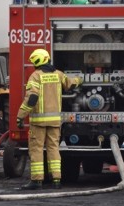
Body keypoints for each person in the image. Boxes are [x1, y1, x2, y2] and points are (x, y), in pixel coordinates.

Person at [16, 48, 82, 190]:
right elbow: (71, 83)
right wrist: (81, 79)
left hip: (39, 122)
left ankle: (37, 181)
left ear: (37, 62)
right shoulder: (58, 74)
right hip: (55, 121)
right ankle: (56, 180)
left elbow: (32, 98)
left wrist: (20, 116)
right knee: (53, 148)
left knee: (37, 149)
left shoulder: (35, 76)